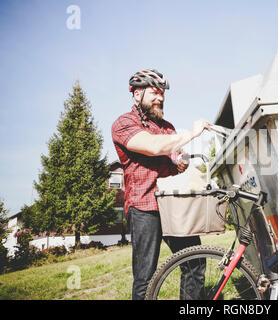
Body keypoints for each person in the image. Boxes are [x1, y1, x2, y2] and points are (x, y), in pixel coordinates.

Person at [111, 69, 211, 300]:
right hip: (143, 207)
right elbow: (154, 146)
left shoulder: (167, 126)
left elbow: (174, 156)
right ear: (137, 95)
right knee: (146, 278)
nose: (160, 98)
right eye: (155, 92)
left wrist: (180, 162)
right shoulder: (124, 124)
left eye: (162, 93)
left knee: (194, 261)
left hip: (172, 205)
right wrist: (192, 133)